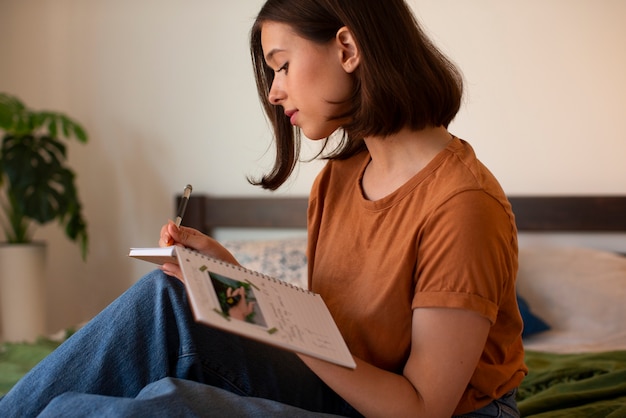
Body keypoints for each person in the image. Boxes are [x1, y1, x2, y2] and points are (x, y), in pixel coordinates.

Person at [0, 0, 526, 416]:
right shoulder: (339, 180)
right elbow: (331, 337)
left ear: (347, 47)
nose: (274, 92)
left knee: (136, 410)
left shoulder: (463, 207)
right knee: (168, 295)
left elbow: (420, 409)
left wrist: (274, 316)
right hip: (342, 392)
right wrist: (235, 283)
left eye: (282, 66)